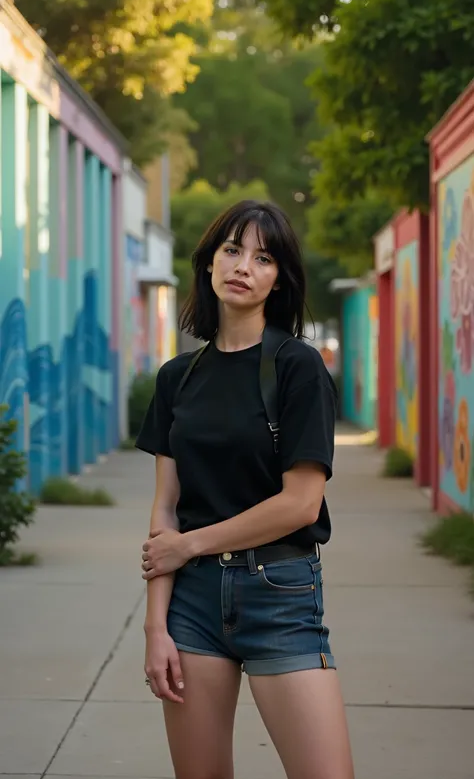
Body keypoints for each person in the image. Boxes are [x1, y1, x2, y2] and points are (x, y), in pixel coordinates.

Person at [135, 200, 354, 779]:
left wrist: (190, 544)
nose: (242, 266)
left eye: (262, 257)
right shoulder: (177, 377)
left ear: (278, 278)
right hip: (193, 605)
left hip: (279, 592)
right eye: (231, 250)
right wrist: (157, 628)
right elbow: (165, 512)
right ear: (209, 262)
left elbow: (300, 503)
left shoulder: (297, 367)